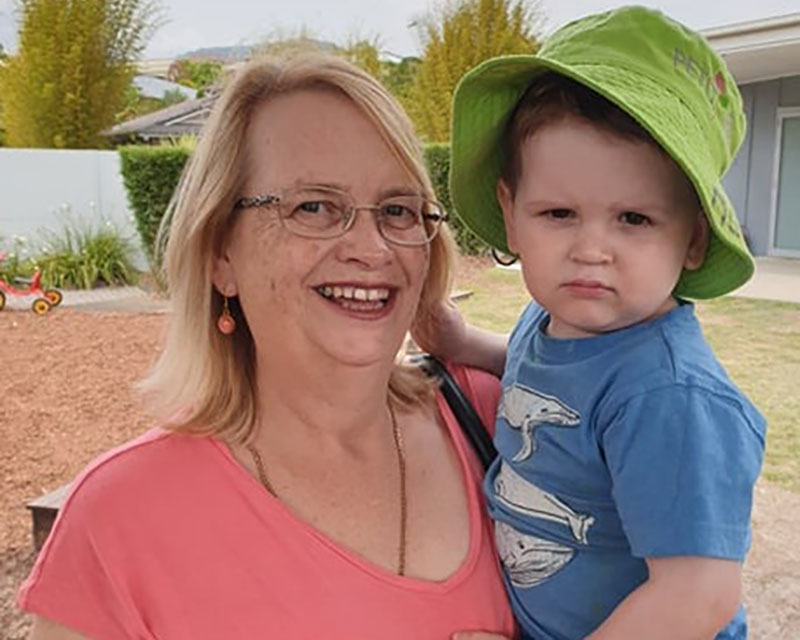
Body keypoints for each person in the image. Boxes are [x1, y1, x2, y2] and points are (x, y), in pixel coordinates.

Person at [17, 54, 516, 640]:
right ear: (220, 255)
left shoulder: (507, 421)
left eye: (398, 211)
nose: (372, 247)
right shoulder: (119, 521)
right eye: (313, 206)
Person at [417, 6, 767, 640]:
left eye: (633, 219)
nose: (591, 249)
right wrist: (463, 344)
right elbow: (550, 382)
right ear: (512, 212)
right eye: (558, 213)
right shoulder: (554, 319)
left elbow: (698, 595)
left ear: (691, 241)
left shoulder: (669, 399)